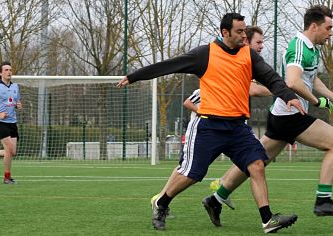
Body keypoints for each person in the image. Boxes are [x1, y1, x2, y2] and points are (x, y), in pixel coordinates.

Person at [116, 13, 304, 233]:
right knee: (191, 175)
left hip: (237, 129)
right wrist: (134, 76)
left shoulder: (249, 55)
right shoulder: (205, 54)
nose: (245, 35)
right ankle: (162, 202)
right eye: (240, 31)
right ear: (225, 32)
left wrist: (288, 95)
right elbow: (170, 65)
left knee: (257, 165)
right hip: (208, 127)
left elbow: (271, 78)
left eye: (245, 31)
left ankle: (268, 220)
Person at [203, 5, 333, 226]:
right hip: (291, 116)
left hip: (283, 115)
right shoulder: (299, 48)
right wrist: (316, 101)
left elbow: (311, 79)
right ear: (314, 26)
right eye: (328, 27)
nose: (331, 32)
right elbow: (293, 81)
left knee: (256, 161)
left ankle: (216, 198)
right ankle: (323, 200)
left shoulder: (311, 48)